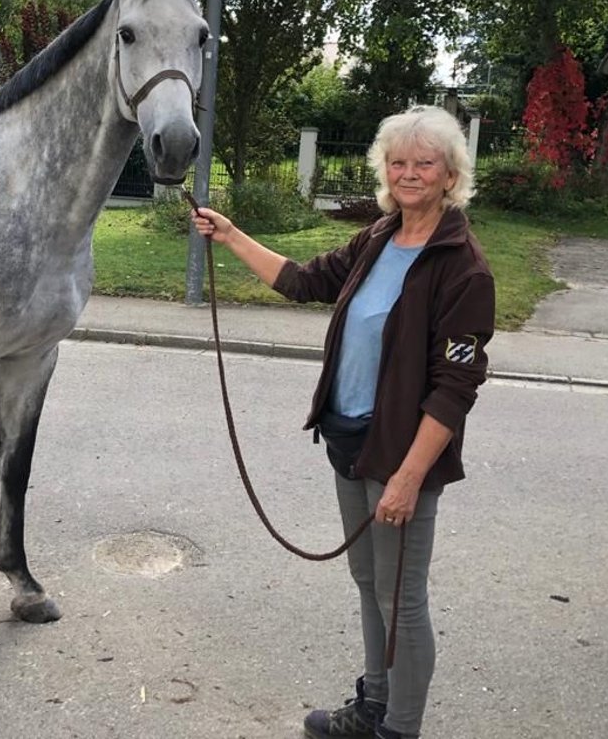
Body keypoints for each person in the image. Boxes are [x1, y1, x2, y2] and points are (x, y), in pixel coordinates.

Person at [191, 105, 495, 739]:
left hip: (400, 455)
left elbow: (455, 386)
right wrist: (231, 235)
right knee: (367, 582)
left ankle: (400, 728)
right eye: (399, 162)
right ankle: (374, 705)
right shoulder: (379, 237)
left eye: (425, 163)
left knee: (401, 599)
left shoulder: (462, 266)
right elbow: (305, 281)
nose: (409, 173)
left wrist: (411, 477)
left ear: (449, 175)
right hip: (347, 439)